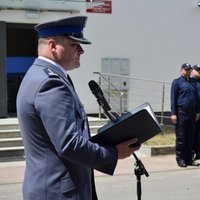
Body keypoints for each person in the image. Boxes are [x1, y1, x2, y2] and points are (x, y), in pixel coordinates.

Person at [16, 16, 140, 200]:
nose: (81, 50)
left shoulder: (40, 75)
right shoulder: (50, 84)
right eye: (75, 44)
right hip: (57, 193)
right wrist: (113, 153)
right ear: (52, 46)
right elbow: (68, 144)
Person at [171, 63, 200, 167]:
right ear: (181, 70)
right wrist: (173, 113)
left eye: (189, 70)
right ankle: (180, 159)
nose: (188, 71)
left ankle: (189, 158)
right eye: (186, 69)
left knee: (190, 136)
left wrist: (197, 111)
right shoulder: (177, 82)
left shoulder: (193, 82)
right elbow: (173, 99)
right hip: (181, 112)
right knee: (181, 137)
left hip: (192, 112)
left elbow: (196, 97)